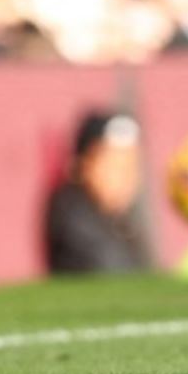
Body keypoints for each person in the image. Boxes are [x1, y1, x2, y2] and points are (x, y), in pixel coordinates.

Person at [44, 110, 153, 275]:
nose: (126, 175)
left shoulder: (117, 218)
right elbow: (115, 274)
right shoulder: (73, 214)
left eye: (132, 163)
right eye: (114, 164)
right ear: (83, 165)